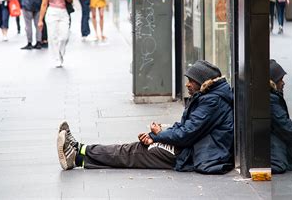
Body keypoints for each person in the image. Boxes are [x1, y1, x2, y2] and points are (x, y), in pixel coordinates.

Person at [57, 60, 234, 174]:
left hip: (193, 154)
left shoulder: (212, 102)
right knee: (131, 151)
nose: (187, 84)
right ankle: (79, 154)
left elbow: (187, 133)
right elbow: (188, 128)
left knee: (134, 152)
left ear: (203, 82)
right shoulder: (210, 97)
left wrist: (156, 136)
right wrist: (162, 132)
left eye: (191, 80)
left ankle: (80, 150)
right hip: (191, 148)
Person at [37, 0, 73, 68]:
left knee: (64, 36)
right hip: (52, 12)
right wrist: (40, 20)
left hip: (63, 12)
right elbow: (44, 4)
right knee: (53, 37)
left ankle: (60, 54)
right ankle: (56, 58)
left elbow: (70, 0)